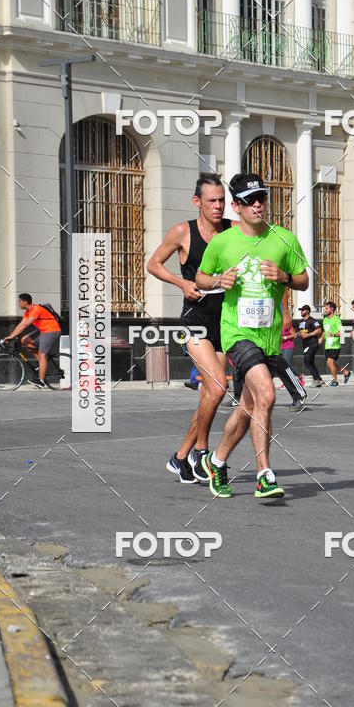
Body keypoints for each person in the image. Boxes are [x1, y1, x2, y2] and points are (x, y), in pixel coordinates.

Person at [196, 173, 309, 499]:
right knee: (268, 395)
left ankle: (217, 460)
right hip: (237, 334)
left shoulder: (284, 239)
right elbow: (201, 279)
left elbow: (303, 280)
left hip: (269, 336)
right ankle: (265, 474)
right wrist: (219, 280)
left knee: (249, 406)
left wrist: (285, 276)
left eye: (261, 198)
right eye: (248, 201)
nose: (257, 205)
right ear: (236, 206)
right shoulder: (223, 242)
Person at [147, 173, 233, 485]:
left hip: (225, 322)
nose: (218, 206)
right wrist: (181, 282)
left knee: (212, 394)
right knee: (219, 386)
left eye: (222, 200)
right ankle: (201, 450)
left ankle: (180, 457)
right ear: (197, 202)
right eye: (212, 200)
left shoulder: (232, 231)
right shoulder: (183, 232)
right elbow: (153, 263)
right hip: (194, 320)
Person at [4, 294, 62, 388]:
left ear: (25, 302)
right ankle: (40, 363)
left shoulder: (37, 309)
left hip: (52, 330)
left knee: (42, 354)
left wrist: (12, 336)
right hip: (43, 331)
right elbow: (20, 325)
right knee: (25, 340)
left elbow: (25, 325)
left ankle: (41, 381)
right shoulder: (27, 313)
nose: (18, 304)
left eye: (19, 301)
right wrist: (11, 336)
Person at [298, 305, 323, 387]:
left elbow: (319, 330)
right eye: (301, 310)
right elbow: (302, 332)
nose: (301, 312)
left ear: (308, 311)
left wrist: (308, 335)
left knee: (308, 360)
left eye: (303, 310)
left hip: (313, 343)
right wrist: (297, 334)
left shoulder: (312, 321)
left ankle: (316, 380)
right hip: (305, 344)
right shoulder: (301, 321)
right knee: (309, 362)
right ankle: (319, 379)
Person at [320, 301, 344, 386]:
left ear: (332, 309)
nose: (325, 310)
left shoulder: (336, 319)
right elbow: (325, 332)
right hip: (327, 345)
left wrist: (333, 335)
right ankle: (345, 372)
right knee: (329, 364)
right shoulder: (325, 320)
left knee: (331, 362)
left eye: (326, 308)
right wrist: (321, 338)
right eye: (325, 308)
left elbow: (341, 332)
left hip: (335, 345)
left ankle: (335, 381)